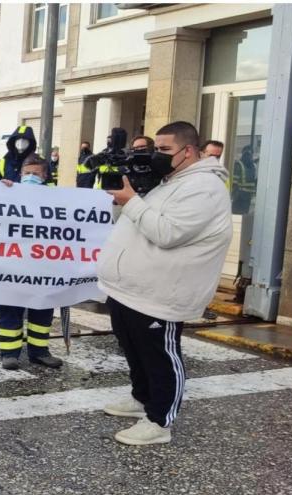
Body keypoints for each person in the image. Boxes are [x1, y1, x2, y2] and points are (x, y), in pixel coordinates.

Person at [97, 121, 232, 446]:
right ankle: (141, 397)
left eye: (165, 150)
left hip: (162, 292)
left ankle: (160, 420)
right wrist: (123, 201)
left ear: (189, 151)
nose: (157, 156)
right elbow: (133, 221)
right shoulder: (169, 181)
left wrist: (132, 201)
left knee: (159, 356)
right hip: (131, 289)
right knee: (134, 348)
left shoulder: (204, 188)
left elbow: (167, 233)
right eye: (155, 148)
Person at [0, 155, 64, 370]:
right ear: (20, 174)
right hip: (14, 263)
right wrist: (0, 190)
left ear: (45, 176)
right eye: (27, 173)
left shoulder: (57, 198)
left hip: (44, 264)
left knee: (42, 309)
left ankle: (39, 352)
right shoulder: (8, 192)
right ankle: (9, 354)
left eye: (36, 174)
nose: (30, 177)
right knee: (11, 308)